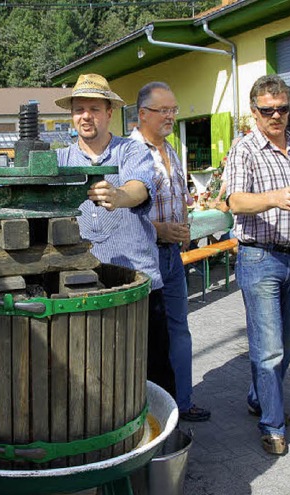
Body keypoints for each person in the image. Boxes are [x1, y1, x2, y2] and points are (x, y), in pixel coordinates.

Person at [54, 74, 176, 399]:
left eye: (94, 108)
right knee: (95, 368)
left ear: (110, 113)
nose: (86, 116)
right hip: (83, 285)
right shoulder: (60, 161)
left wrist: (118, 195)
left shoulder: (131, 151)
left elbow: (138, 187)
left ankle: (164, 437)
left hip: (139, 283)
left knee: (154, 368)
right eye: (79, 109)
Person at [225, 75, 290, 456]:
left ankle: (260, 397)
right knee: (268, 348)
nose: (276, 116)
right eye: (268, 110)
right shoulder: (245, 149)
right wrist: (274, 198)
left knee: (285, 343)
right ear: (255, 113)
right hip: (259, 257)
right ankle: (272, 423)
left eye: (282, 109)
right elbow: (235, 201)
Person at [129, 81, 210, 422]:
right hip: (145, 257)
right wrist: (160, 229)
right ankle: (150, 408)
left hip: (172, 256)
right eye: (164, 110)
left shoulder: (171, 149)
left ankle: (183, 402)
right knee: (150, 337)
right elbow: (122, 211)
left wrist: (185, 225)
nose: (171, 117)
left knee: (180, 330)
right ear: (142, 113)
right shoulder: (129, 152)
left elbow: (181, 197)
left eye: (173, 110)